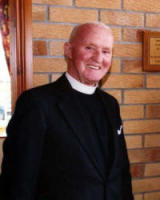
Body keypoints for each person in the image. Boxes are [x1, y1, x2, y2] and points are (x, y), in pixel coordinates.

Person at [0, 22, 133, 200]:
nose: (98, 58)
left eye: (106, 51)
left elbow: (121, 172)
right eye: (89, 48)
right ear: (68, 50)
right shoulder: (37, 103)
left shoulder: (111, 105)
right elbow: (18, 182)